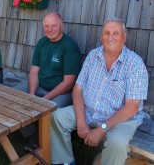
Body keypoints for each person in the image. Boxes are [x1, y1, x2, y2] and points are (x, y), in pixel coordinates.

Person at [50, 18, 149, 165]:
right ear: (101, 35)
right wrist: (81, 121)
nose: (110, 37)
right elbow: (77, 90)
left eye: (116, 33)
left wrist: (102, 129)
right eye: (107, 33)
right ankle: (65, 162)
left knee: (118, 142)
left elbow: (132, 106)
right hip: (90, 111)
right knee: (56, 117)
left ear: (124, 37)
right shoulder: (93, 56)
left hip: (120, 119)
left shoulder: (135, 63)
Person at [16, 12, 81, 139]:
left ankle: (44, 142)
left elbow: (68, 82)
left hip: (62, 92)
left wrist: (45, 99)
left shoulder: (69, 46)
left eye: (53, 26)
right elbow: (34, 71)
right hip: (40, 85)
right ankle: (31, 136)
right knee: (13, 96)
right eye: (46, 26)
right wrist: (31, 95)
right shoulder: (42, 43)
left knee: (50, 113)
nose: (49, 30)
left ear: (61, 26)